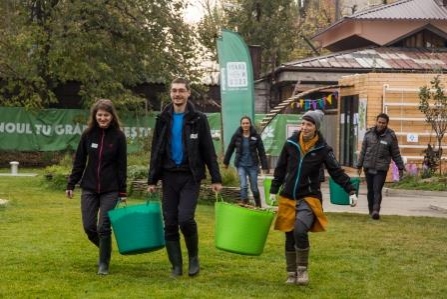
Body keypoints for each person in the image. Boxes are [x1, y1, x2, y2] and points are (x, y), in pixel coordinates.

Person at [269, 109, 358, 286]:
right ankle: (291, 272)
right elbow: (280, 169)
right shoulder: (290, 144)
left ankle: (302, 270)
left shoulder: (323, 149)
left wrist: (351, 190)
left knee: (300, 230)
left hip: (309, 197)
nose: (304, 127)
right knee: (289, 234)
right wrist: (273, 189)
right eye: (303, 123)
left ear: (316, 127)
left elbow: (336, 171)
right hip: (288, 197)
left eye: (309, 124)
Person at [147, 77, 222, 278]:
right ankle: (176, 266)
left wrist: (216, 178)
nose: (177, 94)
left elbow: (208, 150)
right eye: (174, 91)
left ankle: (194, 257)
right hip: (169, 176)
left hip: (190, 177)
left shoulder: (198, 119)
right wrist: (152, 180)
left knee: (185, 219)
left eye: (181, 90)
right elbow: (156, 150)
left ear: (188, 93)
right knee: (170, 222)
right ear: (170, 94)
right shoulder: (162, 119)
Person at [66, 99, 127, 275]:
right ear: (95, 116)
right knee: (89, 227)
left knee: (103, 227)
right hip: (89, 188)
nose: (102, 118)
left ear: (111, 116)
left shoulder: (118, 136)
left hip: (111, 189)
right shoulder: (87, 134)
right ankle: (105, 248)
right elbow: (79, 161)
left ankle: (103, 263)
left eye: (106, 115)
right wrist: (71, 183)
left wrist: (122, 192)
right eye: (99, 115)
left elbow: (122, 165)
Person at [356, 112, 405, 220]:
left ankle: (376, 211)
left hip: (381, 169)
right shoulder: (368, 134)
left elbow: (395, 153)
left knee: (377, 189)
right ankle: (371, 211)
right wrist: (359, 165)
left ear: (387, 124)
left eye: (383, 123)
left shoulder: (391, 136)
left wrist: (400, 167)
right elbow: (363, 151)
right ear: (376, 122)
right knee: (370, 190)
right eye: (379, 122)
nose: (381, 124)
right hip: (368, 167)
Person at [223, 116, 269, 207]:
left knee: (254, 188)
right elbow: (230, 149)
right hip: (241, 165)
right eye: (243, 123)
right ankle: (244, 202)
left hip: (253, 166)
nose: (245, 125)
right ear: (241, 125)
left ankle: (258, 205)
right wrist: (226, 162)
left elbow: (261, 152)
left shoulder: (255, 136)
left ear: (250, 124)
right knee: (243, 185)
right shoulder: (236, 136)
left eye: (247, 123)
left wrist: (264, 167)